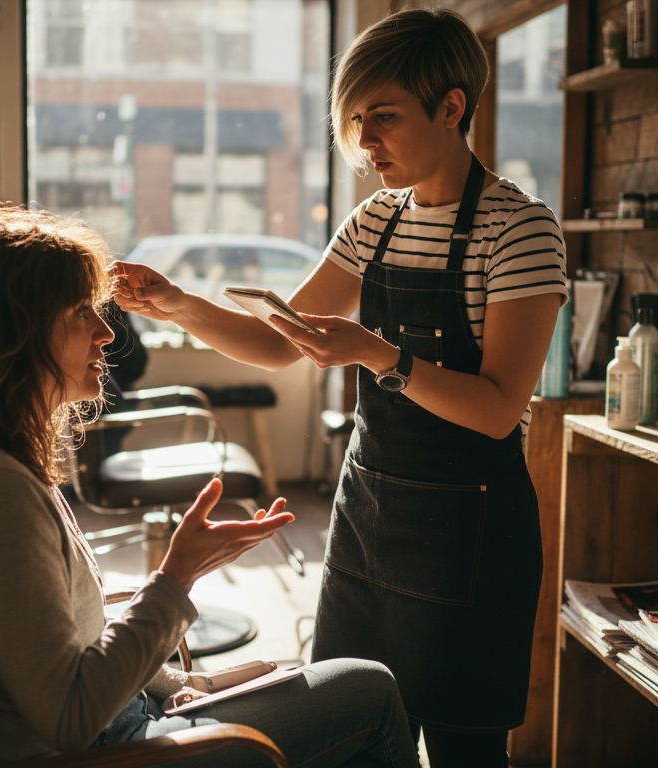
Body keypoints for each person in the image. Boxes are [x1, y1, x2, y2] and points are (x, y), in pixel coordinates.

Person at [114, 9, 567, 766]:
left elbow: (496, 411)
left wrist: (380, 356)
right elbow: (275, 343)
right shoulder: (373, 223)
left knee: (465, 749)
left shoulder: (518, 230)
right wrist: (180, 304)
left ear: (452, 107)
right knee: (349, 735)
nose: (366, 141)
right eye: (356, 121)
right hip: (369, 521)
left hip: (473, 540)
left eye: (384, 118)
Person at [0, 205, 419, 767]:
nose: (107, 334)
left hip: (129, 720)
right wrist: (175, 578)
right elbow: (70, 718)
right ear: (13, 332)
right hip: (117, 751)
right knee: (368, 690)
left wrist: (184, 684)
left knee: (309, 679)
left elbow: (65, 639)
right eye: (82, 312)